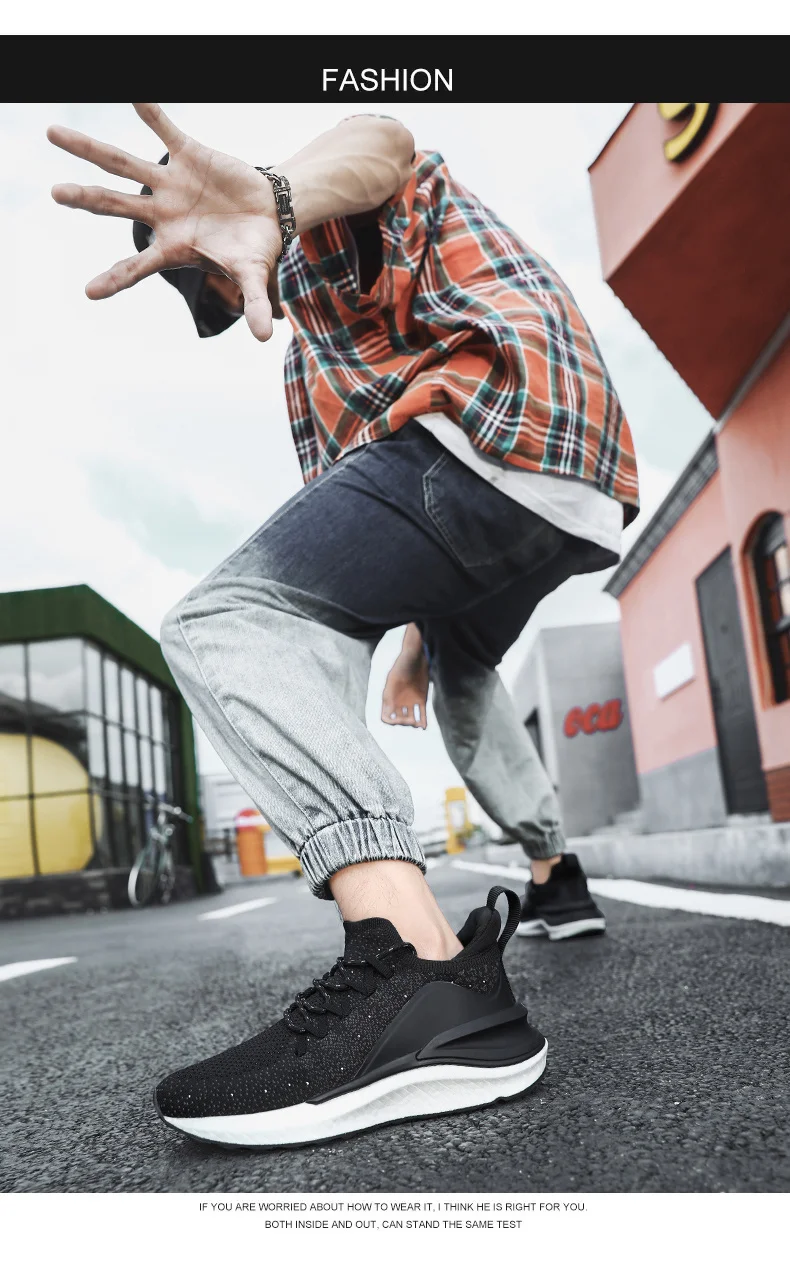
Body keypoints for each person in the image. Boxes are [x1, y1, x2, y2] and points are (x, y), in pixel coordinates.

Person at [48, 103, 638, 1149]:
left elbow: (383, 144)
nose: (239, 284)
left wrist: (271, 196)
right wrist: (412, 638)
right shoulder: (307, 365)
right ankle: (554, 878)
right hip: (562, 484)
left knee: (230, 622)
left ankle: (411, 967)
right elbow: (369, 536)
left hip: (504, 413)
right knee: (459, 685)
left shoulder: (317, 209)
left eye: (217, 271)